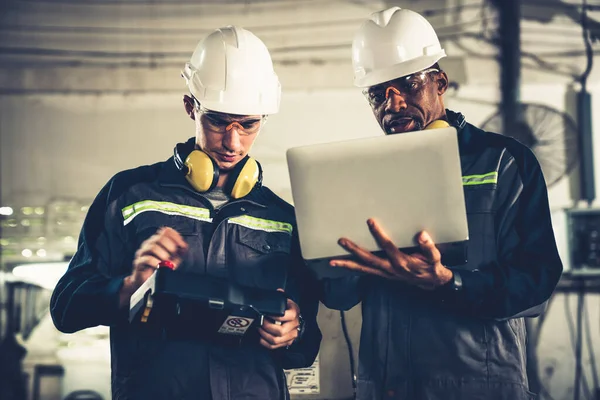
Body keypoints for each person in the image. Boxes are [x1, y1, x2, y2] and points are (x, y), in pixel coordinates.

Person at [50, 26, 321, 400]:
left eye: (249, 124)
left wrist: (296, 329)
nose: (233, 141)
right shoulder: (129, 194)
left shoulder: (283, 218)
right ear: (190, 106)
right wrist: (129, 288)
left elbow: (307, 347)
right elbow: (66, 307)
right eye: (218, 120)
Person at [321, 7, 563, 400]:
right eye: (378, 93)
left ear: (440, 82)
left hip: (479, 388)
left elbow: (536, 282)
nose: (393, 104)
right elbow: (338, 297)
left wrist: (451, 283)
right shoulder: (362, 177)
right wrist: (348, 257)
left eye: (407, 85)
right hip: (386, 387)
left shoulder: (503, 162)